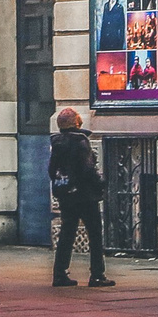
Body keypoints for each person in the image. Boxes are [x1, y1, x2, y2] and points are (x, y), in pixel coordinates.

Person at [48, 108, 112, 288]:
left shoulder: (57, 142)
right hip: (85, 195)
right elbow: (87, 169)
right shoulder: (80, 141)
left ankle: (59, 273)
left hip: (67, 194)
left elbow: (52, 170)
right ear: (76, 123)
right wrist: (100, 183)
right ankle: (97, 274)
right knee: (95, 234)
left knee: (67, 233)